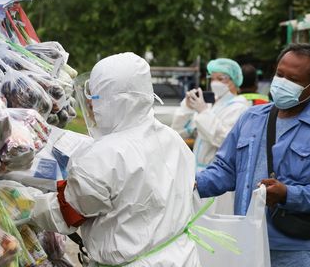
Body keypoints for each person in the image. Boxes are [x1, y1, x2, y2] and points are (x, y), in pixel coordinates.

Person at [31, 52, 201, 266]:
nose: (91, 107)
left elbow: (65, 213)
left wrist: (25, 203)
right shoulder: (172, 138)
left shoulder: (103, 157)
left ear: (110, 102)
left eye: (93, 98)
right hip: (182, 257)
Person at [196, 43, 310, 266]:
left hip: (293, 251)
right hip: (244, 241)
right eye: (280, 74)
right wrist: (193, 183)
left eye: (294, 79)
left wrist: (288, 194)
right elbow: (225, 169)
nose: (282, 83)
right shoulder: (251, 118)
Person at [172, 58, 249, 173]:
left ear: (234, 80)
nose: (215, 82)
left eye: (220, 79)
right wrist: (187, 108)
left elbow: (224, 140)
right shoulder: (211, 105)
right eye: (212, 78)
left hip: (219, 175)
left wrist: (203, 112)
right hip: (198, 170)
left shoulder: (239, 107)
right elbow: (179, 131)